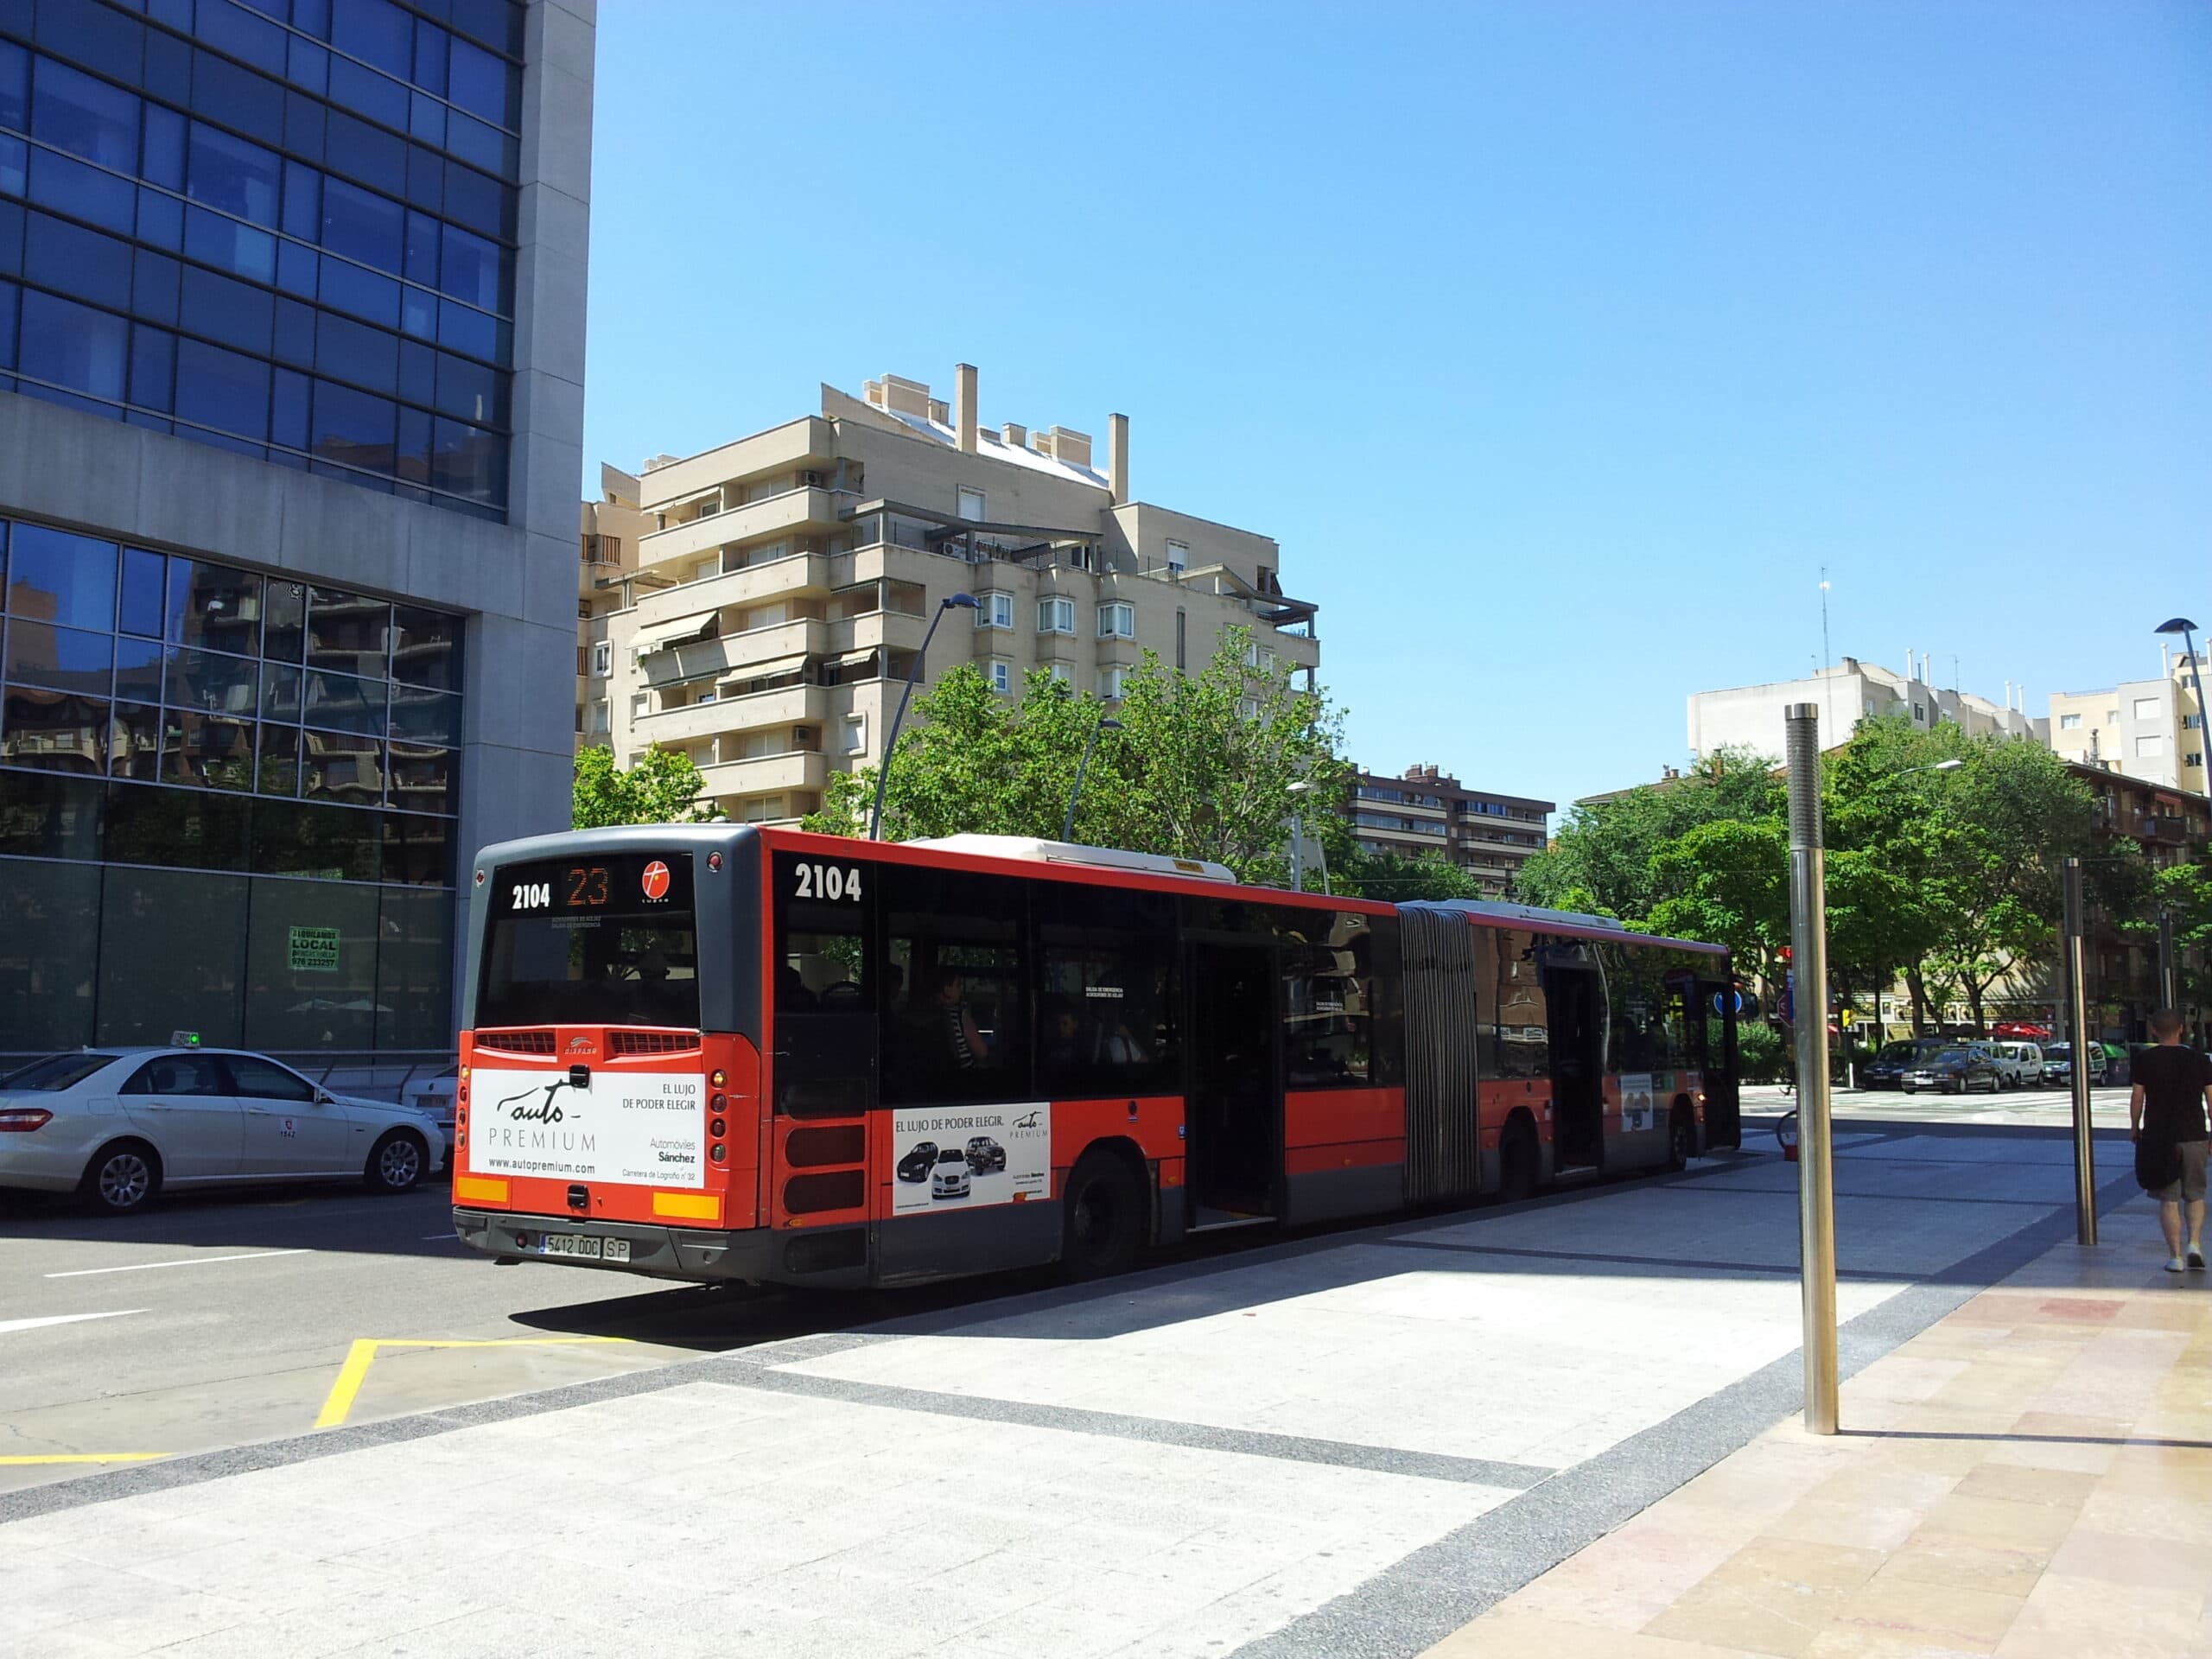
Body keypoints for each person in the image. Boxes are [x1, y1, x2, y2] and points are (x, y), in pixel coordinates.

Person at [2128, 1007, 2209, 1274]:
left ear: (2154, 1030)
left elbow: (2138, 1097)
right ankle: (2195, 1244)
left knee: (2169, 1199)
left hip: (2159, 1138)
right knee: (2195, 1194)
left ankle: (2175, 1257)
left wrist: (2135, 1126)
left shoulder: (2144, 1060)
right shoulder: (2199, 1059)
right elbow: (2211, 1100)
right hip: (2194, 1135)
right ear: (2182, 1028)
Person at [931, 965, 990, 1069]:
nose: (960, 990)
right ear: (947, 990)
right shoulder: (959, 1015)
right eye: (958, 986)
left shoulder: (932, 1013)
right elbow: (982, 1052)